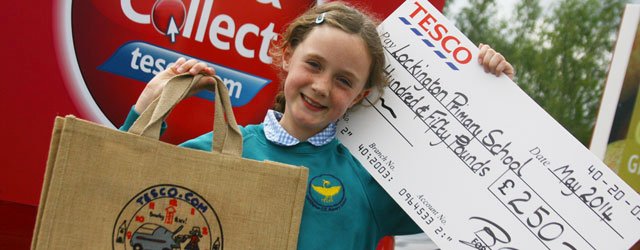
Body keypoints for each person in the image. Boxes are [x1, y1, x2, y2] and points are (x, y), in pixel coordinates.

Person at [120, 2, 514, 249]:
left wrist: (487, 96)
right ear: (288, 57)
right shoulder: (216, 152)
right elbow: (120, 197)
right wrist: (143, 109)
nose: (322, 87)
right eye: (313, 65)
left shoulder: (368, 183)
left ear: (360, 95)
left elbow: (472, 206)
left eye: (344, 81)